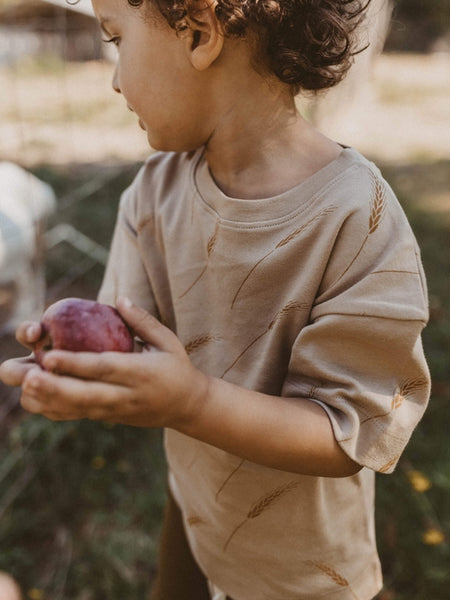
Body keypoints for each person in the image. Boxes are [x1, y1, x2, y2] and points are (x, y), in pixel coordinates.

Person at [0, 1, 430, 599]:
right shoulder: (154, 193)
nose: (115, 78)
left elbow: (346, 434)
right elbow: (125, 342)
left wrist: (194, 401)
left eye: (116, 40)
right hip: (196, 512)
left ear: (198, 33)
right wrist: (76, 371)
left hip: (305, 574)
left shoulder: (357, 218)